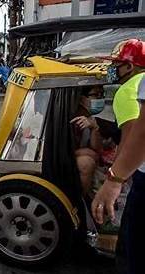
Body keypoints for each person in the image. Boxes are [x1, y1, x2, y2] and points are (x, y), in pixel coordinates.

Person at [92, 39, 145, 274]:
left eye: (117, 64)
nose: (112, 69)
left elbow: (134, 134)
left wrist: (115, 179)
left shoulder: (127, 91)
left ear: (130, 67)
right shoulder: (136, 84)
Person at [70, 86, 104, 196]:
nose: (99, 99)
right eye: (95, 95)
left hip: (81, 157)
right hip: (60, 161)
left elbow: (97, 150)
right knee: (86, 163)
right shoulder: (70, 116)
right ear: (81, 99)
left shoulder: (90, 118)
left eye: (101, 95)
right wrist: (80, 152)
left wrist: (94, 128)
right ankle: (80, 198)